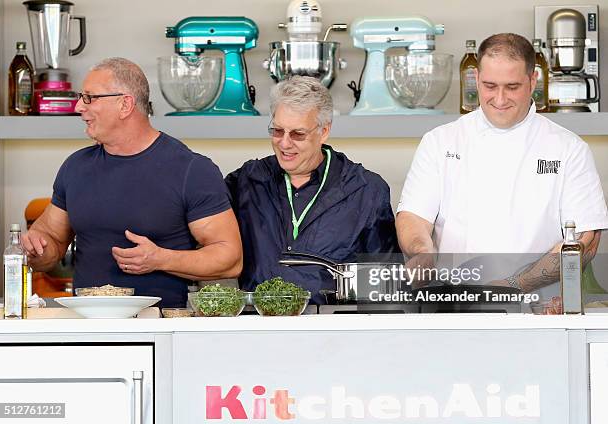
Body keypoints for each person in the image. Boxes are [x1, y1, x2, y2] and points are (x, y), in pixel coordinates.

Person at [21, 57, 242, 307]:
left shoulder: (192, 170)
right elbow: (52, 241)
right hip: (85, 328)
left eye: (89, 98)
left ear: (125, 104)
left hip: (160, 329)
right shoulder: (75, 167)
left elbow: (230, 258)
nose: (78, 107)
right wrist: (33, 250)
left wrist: (160, 259)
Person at [396, 33, 608, 293]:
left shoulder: (569, 149)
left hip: (537, 309)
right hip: (454, 304)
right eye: (490, 86)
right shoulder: (440, 141)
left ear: (533, 81)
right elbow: (413, 216)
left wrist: (512, 286)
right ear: (476, 78)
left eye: (512, 87)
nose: (499, 99)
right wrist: (422, 251)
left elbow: (584, 241)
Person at [226, 76, 399, 303]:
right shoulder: (246, 181)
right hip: (259, 327)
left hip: (334, 330)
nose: (285, 143)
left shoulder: (366, 191)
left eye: (298, 134)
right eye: (277, 131)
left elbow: (386, 289)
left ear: (324, 131)